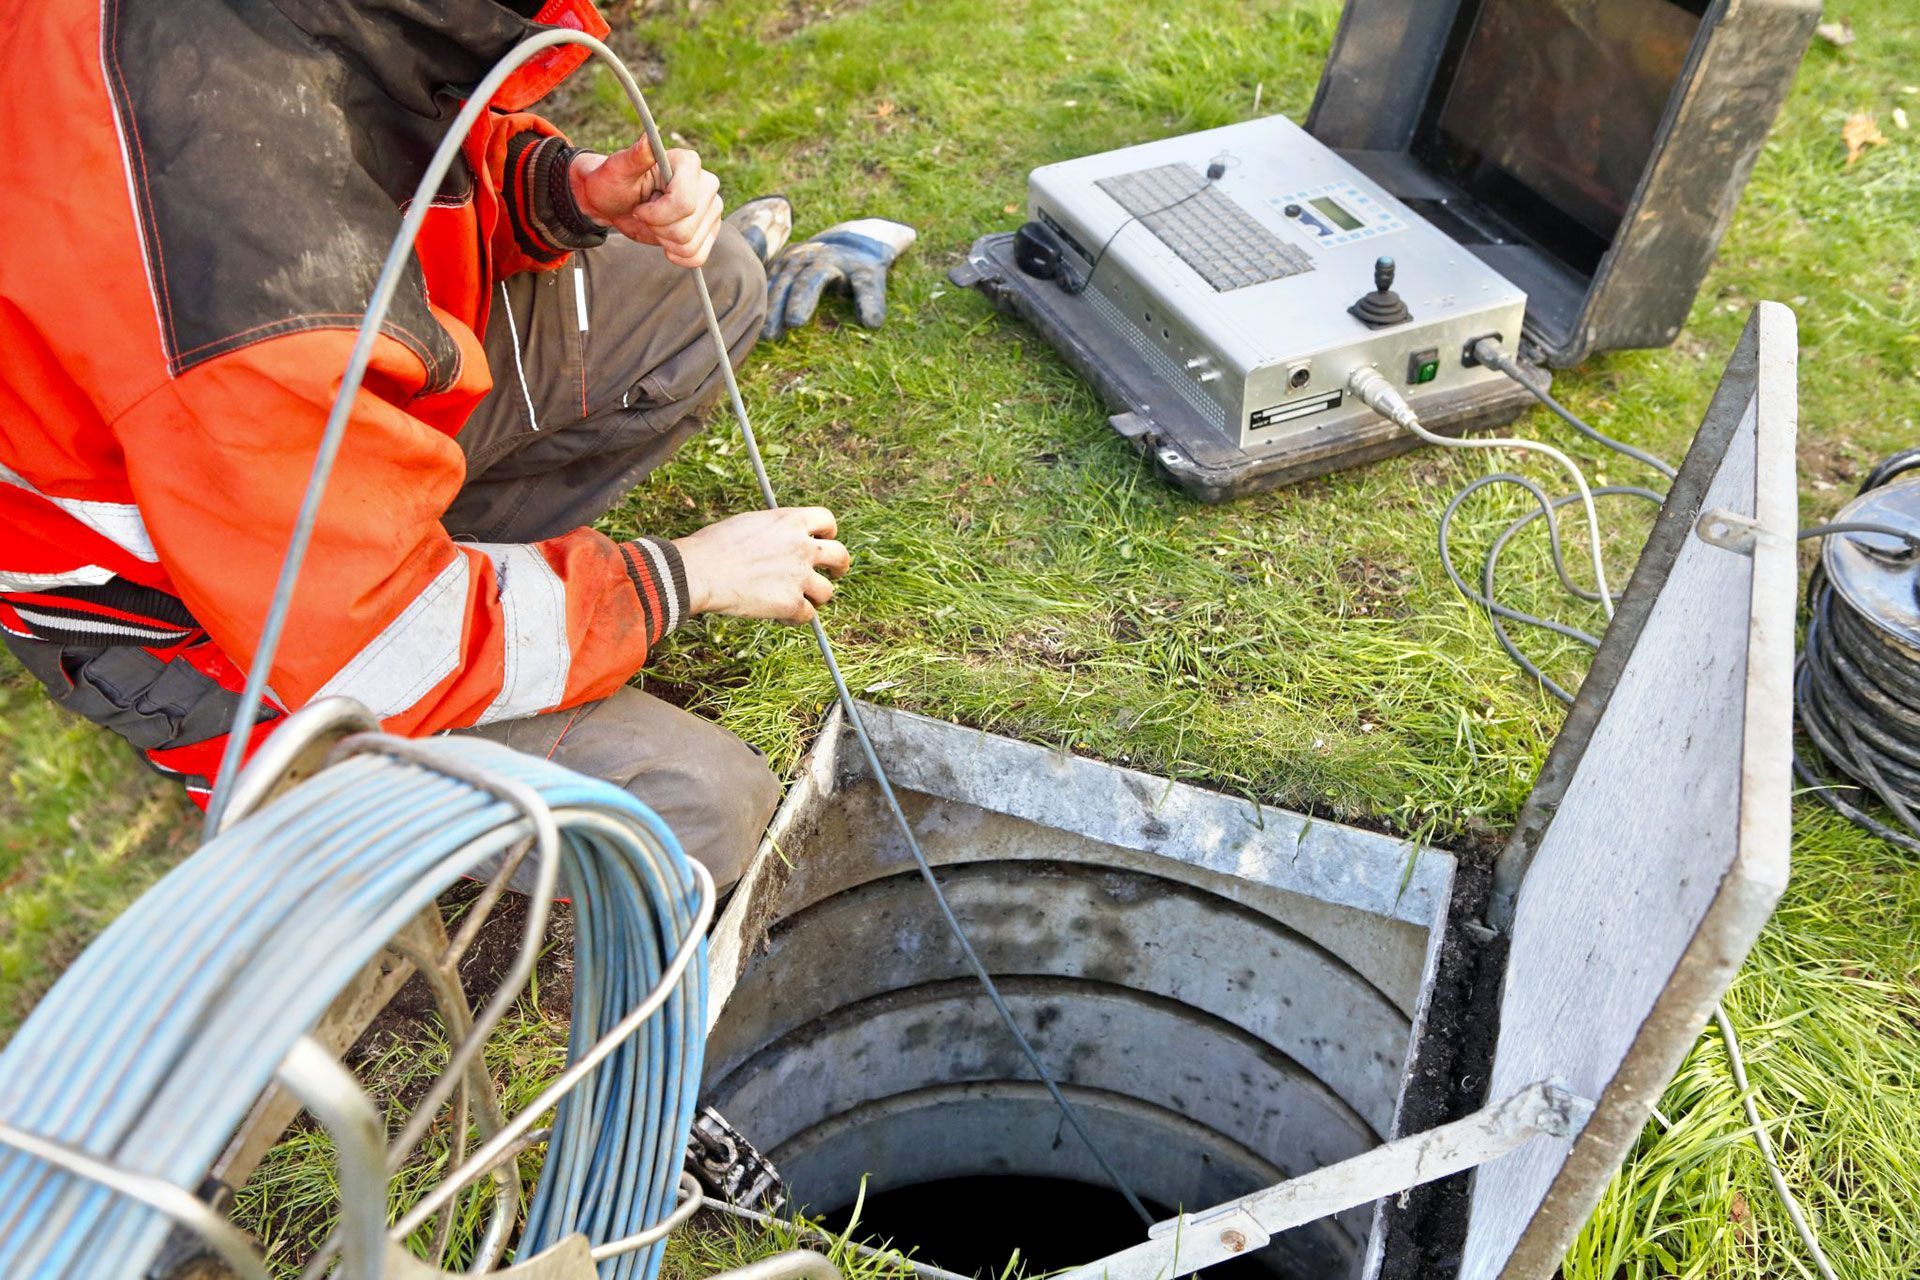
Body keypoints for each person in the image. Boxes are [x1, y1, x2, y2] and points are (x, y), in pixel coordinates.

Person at [0, 0, 913, 892]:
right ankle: (319, 768)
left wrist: (564, 191)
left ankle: (447, 572)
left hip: (312, 456)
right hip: (205, 606)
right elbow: (381, 644)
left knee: (711, 286)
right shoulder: (231, 282)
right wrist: (682, 578)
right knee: (699, 811)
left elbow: (401, 156)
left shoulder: (327, 33)